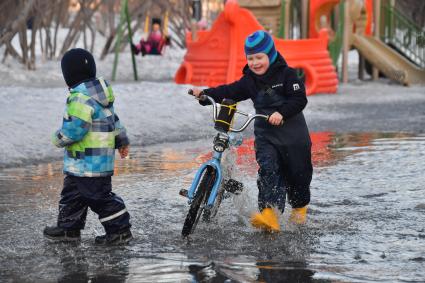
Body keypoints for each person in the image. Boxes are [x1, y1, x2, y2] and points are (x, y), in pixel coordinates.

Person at [190, 30, 312, 232]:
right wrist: (205, 95)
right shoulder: (250, 81)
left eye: (259, 57)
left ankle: (299, 209)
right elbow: (229, 91)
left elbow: (300, 99)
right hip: (267, 136)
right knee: (268, 170)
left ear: (270, 55)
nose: (255, 63)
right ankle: (269, 213)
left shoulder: (287, 75)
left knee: (299, 174)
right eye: (251, 58)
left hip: (294, 136)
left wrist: (281, 113)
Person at [43, 48, 133, 244]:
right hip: (86, 163)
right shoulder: (101, 97)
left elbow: (75, 128)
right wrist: (122, 140)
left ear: (69, 75)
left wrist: (59, 138)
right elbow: (113, 121)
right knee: (72, 195)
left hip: (89, 164)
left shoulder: (79, 97)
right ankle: (68, 229)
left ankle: (120, 230)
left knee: (99, 198)